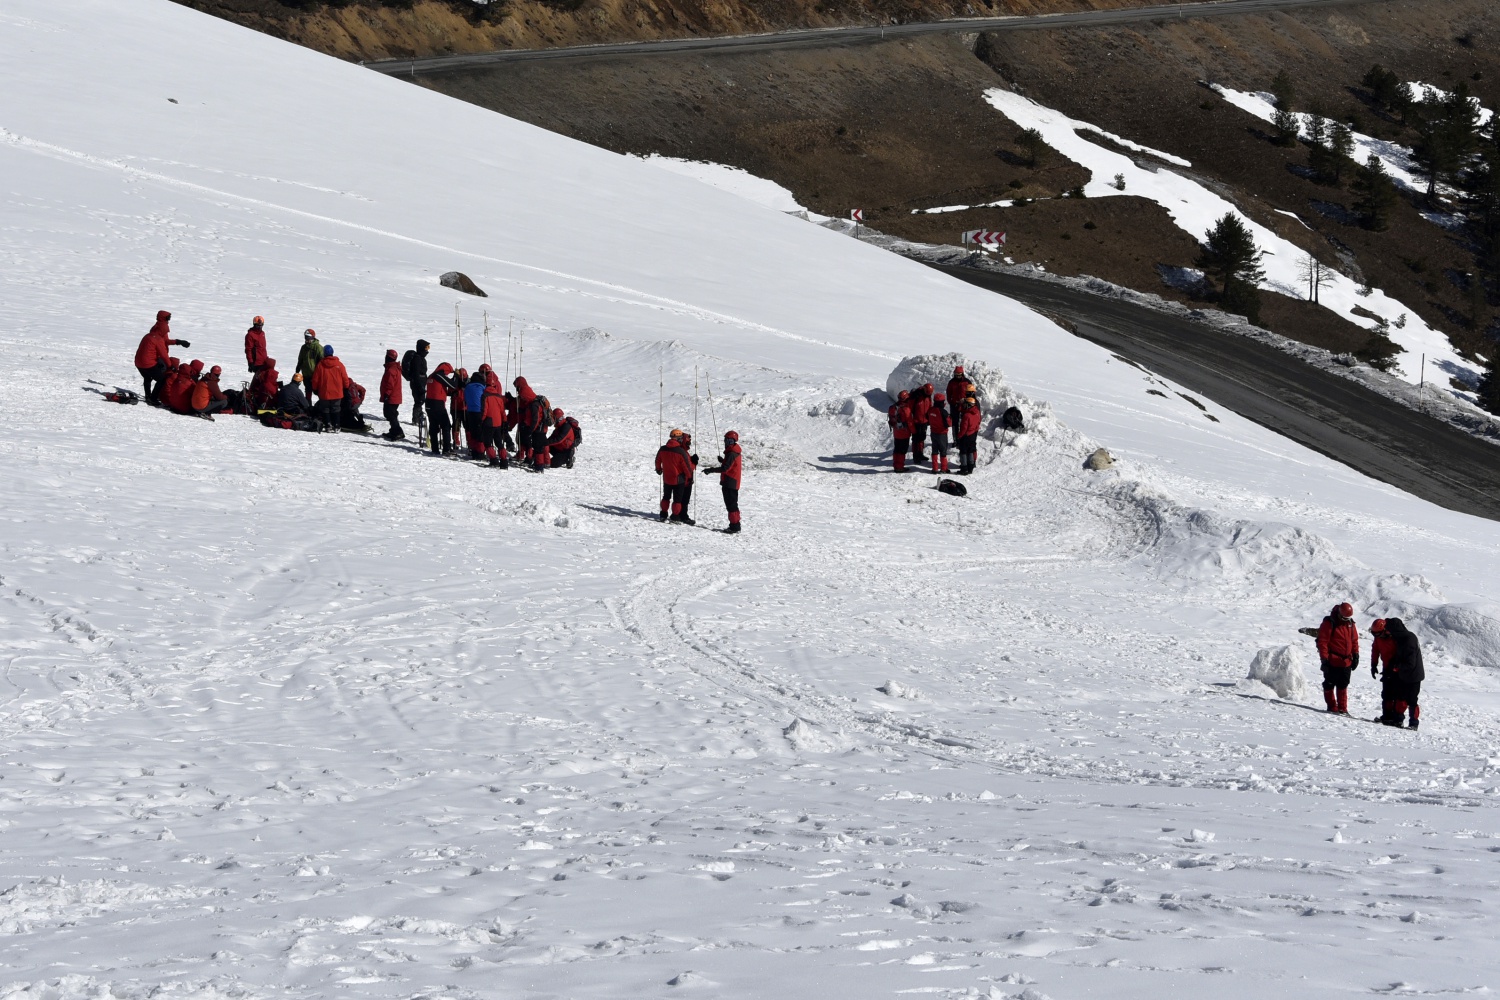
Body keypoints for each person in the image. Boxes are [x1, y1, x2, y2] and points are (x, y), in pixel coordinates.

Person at [133, 310, 190, 406]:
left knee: (147, 377)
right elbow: (163, 353)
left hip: (139, 362)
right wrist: (170, 366)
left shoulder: (151, 333)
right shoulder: (159, 337)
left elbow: (165, 341)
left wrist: (178, 341)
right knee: (161, 379)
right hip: (149, 362)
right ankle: (153, 398)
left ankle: (148, 396)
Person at [1316, 602, 1360, 715]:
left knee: (1343, 684)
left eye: (1348, 618)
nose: (1346, 620)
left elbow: (1354, 640)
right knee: (1329, 683)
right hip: (1332, 660)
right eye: (1344, 618)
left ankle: (1343, 709)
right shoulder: (1330, 623)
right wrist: (1324, 659)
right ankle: (1332, 707)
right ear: (1340, 614)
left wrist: (1356, 655)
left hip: (1346, 661)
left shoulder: (1350, 623)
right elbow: (1323, 642)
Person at [1382, 618, 1424, 730]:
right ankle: (1398, 720)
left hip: (1413, 675)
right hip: (1404, 674)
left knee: (1412, 700)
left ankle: (1413, 723)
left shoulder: (1408, 639)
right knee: (1400, 698)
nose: (1388, 632)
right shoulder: (1401, 638)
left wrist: (1398, 667)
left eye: (1389, 630)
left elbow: (1410, 663)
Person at [703, 429, 743, 533]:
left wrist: (710, 470)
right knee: (733, 504)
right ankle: (735, 525)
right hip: (732, 481)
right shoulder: (733, 451)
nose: (725, 442)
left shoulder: (732, 453)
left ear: (731, 441)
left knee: (731, 505)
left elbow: (725, 468)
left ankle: (734, 527)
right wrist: (723, 460)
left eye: (726, 440)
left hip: (730, 482)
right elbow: (731, 465)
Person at [655, 430, 694, 524]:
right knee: (677, 500)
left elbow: (657, 460)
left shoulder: (663, 449)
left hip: (667, 478)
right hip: (678, 480)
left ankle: (663, 514)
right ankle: (675, 516)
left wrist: (659, 469)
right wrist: (690, 477)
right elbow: (687, 467)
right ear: (679, 439)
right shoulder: (680, 451)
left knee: (666, 497)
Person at [310, 344, 350, 432]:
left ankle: (328, 425)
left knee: (325, 409)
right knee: (336, 408)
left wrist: (315, 389)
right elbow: (345, 378)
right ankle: (337, 426)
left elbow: (315, 379)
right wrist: (346, 387)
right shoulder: (339, 364)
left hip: (324, 392)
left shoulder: (320, 365)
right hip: (337, 392)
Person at [425, 362, 457, 455]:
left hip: (429, 403)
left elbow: (439, 388)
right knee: (446, 425)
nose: (447, 374)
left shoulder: (431, 376)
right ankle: (446, 449)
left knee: (433, 425)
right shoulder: (439, 375)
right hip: (437, 404)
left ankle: (435, 449)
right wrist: (456, 376)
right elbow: (453, 385)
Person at [401, 339, 431, 435]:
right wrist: (420, 386)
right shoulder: (417, 358)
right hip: (417, 383)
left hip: (420, 382)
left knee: (420, 400)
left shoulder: (421, 358)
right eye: (426, 347)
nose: (427, 350)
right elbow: (416, 373)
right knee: (419, 400)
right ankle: (416, 419)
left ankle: (418, 417)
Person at [481, 371, 509, 468]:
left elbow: (485, 410)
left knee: (488, 442)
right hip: (498, 422)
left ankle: (493, 460)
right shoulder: (499, 396)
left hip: (488, 422)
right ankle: (504, 461)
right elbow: (502, 411)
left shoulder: (485, 395)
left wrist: (481, 420)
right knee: (499, 443)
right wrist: (505, 421)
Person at [378, 349, 405, 440]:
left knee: (390, 414)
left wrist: (386, 395)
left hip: (392, 397)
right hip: (394, 396)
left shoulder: (391, 370)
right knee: (390, 413)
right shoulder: (394, 367)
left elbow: (390, 384)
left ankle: (398, 431)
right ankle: (394, 430)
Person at [463, 369, 488, 459]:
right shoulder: (482, 386)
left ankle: (474, 452)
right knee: (480, 434)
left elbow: (465, 398)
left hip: (470, 411)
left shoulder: (467, 386)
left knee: (473, 433)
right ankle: (481, 453)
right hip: (479, 411)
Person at [956, 393, 982, 475]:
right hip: (973, 434)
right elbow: (978, 423)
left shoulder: (966, 415)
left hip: (966, 436)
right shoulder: (977, 412)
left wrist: (959, 436)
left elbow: (963, 429)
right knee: (970, 450)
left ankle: (964, 468)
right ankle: (970, 467)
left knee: (963, 451)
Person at [888, 390, 913, 472]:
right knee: (902, 450)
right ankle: (900, 467)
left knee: (897, 449)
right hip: (904, 433)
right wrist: (914, 431)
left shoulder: (893, 407)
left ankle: (896, 465)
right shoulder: (906, 409)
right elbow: (909, 422)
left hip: (896, 432)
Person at [927, 392, 951, 474]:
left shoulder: (930, 410)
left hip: (933, 433)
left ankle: (935, 468)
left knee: (935, 450)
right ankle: (944, 468)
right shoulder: (943, 412)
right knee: (943, 451)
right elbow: (949, 423)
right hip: (942, 434)